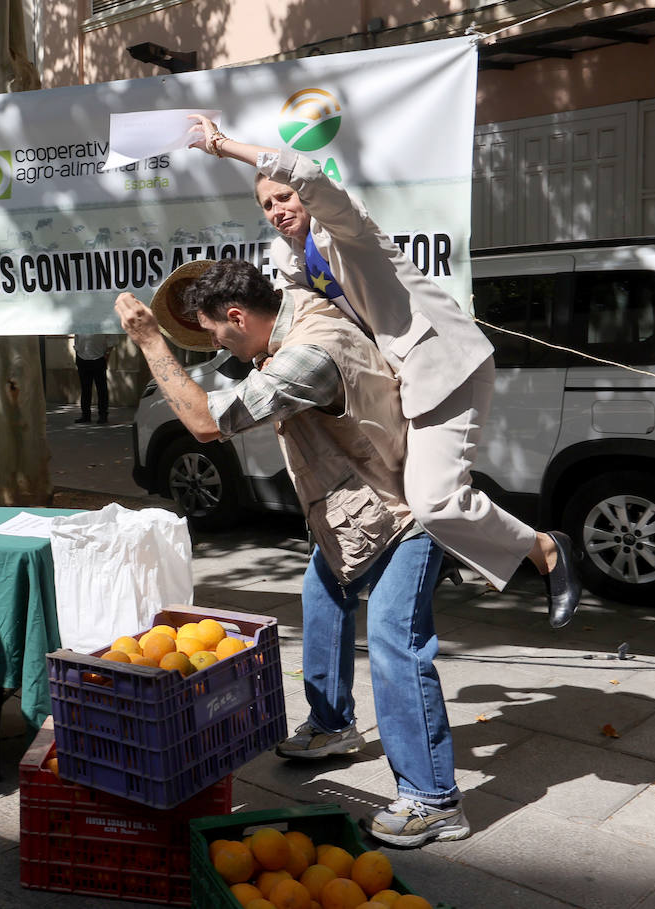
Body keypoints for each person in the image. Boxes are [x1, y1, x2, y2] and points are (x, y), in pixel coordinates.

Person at [116, 259, 469, 846]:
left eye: (216, 332)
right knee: (322, 599)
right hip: (355, 508)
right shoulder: (303, 309)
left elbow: (204, 423)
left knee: (394, 644)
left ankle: (434, 800)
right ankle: (332, 725)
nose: (216, 345)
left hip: (403, 512)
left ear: (237, 316)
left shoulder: (309, 356)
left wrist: (152, 341)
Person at [186, 115, 580, 629]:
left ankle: (546, 550)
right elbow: (300, 319)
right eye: (267, 205)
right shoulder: (287, 259)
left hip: (443, 364)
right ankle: (445, 557)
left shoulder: (345, 227)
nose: (278, 210)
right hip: (396, 382)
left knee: (435, 503)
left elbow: (307, 173)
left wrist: (221, 145)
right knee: (400, 492)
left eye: (284, 197)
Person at [73, 333, 111, 424]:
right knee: (85, 388)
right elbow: (77, 339)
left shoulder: (103, 325)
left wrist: (107, 355)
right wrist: (77, 354)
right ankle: (85, 415)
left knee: (101, 389)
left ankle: (103, 415)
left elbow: (112, 340)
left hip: (98, 358)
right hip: (82, 358)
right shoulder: (80, 325)